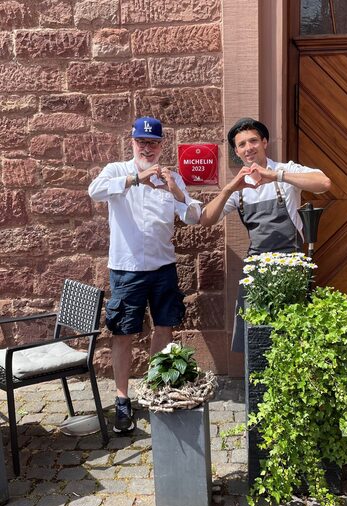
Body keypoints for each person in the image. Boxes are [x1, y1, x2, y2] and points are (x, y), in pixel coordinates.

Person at [88, 116, 201, 433]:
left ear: (161, 145)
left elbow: (193, 216)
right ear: (132, 142)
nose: (147, 148)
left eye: (153, 143)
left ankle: (155, 388)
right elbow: (94, 191)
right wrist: (137, 179)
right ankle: (122, 400)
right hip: (127, 269)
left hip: (163, 268)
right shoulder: (117, 171)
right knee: (123, 335)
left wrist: (178, 194)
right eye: (142, 142)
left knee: (164, 330)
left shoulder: (173, 177)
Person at [200, 117, 331, 351]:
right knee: (255, 335)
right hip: (257, 268)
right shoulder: (239, 187)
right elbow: (206, 219)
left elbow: (323, 182)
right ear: (237, 152)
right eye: (242, 144)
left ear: (264, 142)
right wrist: (229, 188)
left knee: (289, 333)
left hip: (290, 264)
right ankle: (257, 384)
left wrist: (276, 176)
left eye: (253, 141)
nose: (248, 147)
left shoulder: (285, 170)